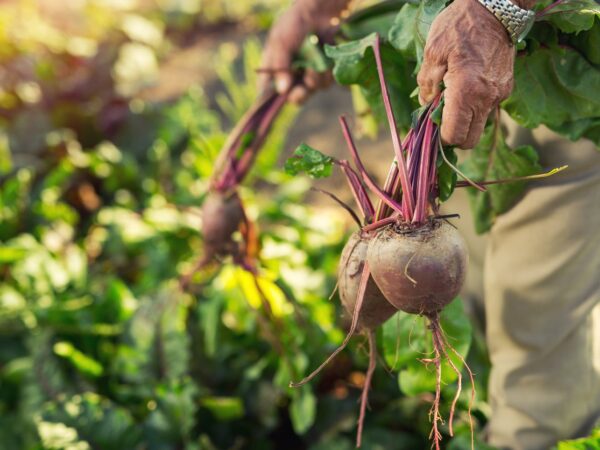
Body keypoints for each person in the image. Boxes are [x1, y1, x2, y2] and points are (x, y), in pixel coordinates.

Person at [259, 1, 600, 449]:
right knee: (480, 283)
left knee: (535, 326)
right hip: (463, 47)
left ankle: (539, 434)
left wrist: (497, 10)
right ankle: (491, 412)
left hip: (554, 52)